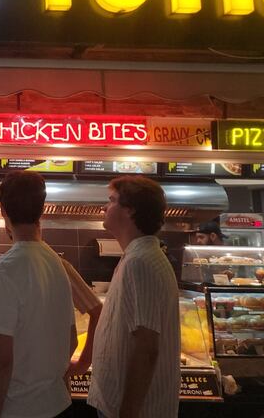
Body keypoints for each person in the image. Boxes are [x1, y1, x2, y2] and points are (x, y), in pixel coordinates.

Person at [0, 171, 76, 418]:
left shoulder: (3, 269)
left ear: (3, 210)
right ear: (42, 210)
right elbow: (72, 339)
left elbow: (2, 360)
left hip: (19, 408)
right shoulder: (56, 263)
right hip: (57, 404)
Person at [87, 176, 180, 418]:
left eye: (112, 200)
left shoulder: (141, 262)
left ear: (130, 210)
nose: (104, 207)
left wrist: (128, 412)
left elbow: (146, 348)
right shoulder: (137, 256)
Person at [0, 244, 101, 376]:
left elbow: (97, 312)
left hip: (21, 376)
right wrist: (83, 364)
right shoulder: (59, 267)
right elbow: (97, 311)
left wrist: (83, 363)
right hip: (46, 375)